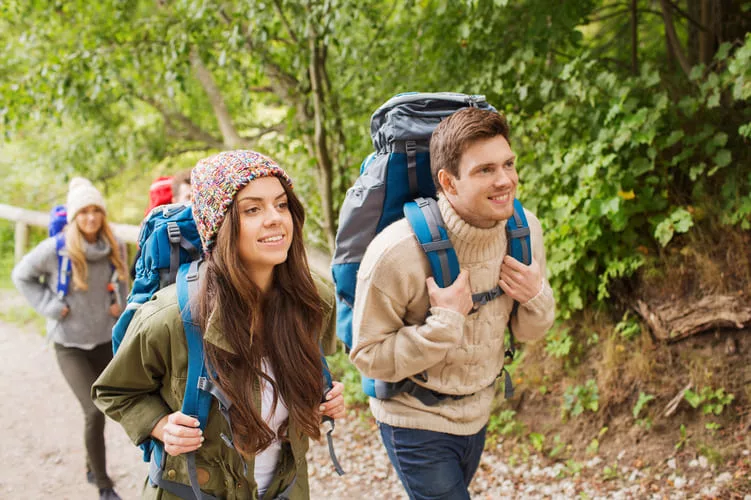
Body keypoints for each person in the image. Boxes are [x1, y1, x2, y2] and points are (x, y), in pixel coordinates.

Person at [92, 150, 345, 499]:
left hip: (286, 488)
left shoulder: (314, 299)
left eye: (282, 204)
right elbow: (114, 390)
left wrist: (322, 397)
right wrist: (160, 425)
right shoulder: (170, 317)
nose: (275, 218)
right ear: (220, 226)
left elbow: (312, 371)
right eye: (252, 209)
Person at [349, 107, 556, 499]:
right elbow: (367, 355)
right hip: (413, 417)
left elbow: (527, 331)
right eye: (485, 170)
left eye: (508, 164)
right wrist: (444, 323)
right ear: (448, 182)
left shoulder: (525, 230)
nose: (505, 180)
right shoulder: (396, 253)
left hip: (477, 410)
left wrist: (535, 296)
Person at [12, 177, 129, 500]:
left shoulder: (114, 246)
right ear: (74, 217)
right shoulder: (57, 249)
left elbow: (123, 282)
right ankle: (104, 485)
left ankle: (92, 467)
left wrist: (121, 304)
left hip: (105, 339)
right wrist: (51, 306)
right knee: (93, 411)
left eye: (96, 211)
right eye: (84, 212)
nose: (91, 218)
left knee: (128, 398)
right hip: (70, 345)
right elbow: (20, 275)